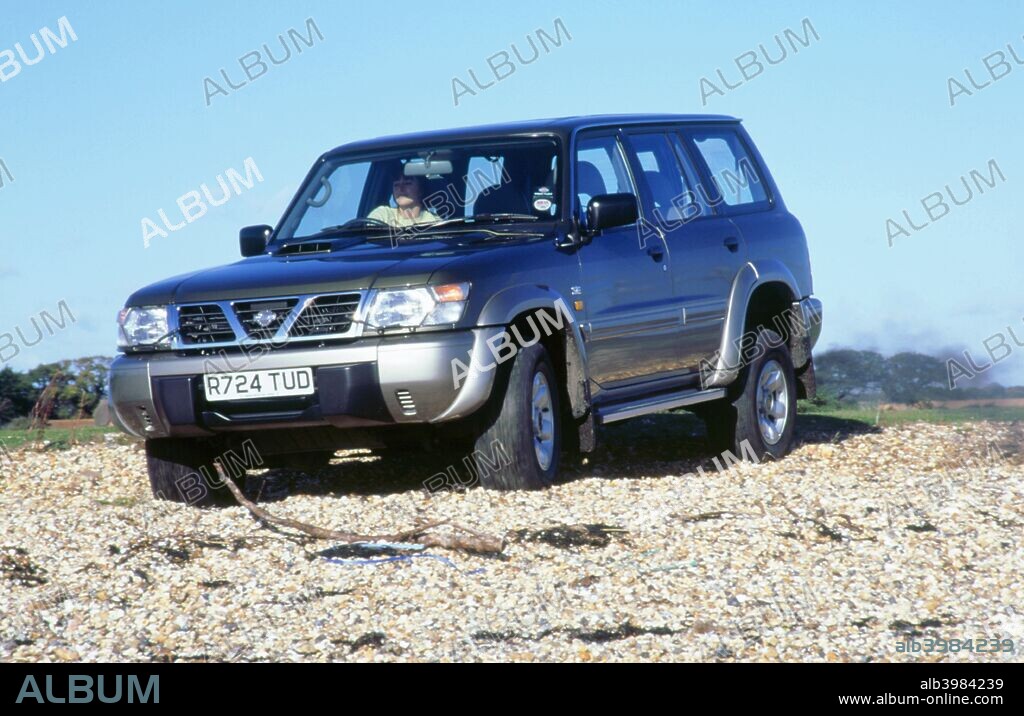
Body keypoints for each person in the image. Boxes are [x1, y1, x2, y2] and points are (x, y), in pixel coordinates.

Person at [368, 165, 439, 228]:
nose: (401, 188)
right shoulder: (382, 215)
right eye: (396, 185)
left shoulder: (434, 221)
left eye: (407, 183)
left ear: (421, 189)